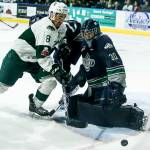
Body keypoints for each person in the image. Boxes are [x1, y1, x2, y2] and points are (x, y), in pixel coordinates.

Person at [66, 19, 145, 130]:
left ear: (96, 31)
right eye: (84, 33)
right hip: (93, 87)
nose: (86, 36)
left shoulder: (103, 41)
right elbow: (86, 64)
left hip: (107, 86)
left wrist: (116, 87)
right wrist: (79, 77)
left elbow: (115, 64)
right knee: (78, 104)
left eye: (89, 33)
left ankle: (134, 116)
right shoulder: (84, 43)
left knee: (105, 111)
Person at [0, 2, 70, 116]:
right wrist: (55, 69)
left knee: (50, 81)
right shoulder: (46, 29)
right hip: (18, 58)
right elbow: (42, 57)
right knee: (2, 86)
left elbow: (61, 38)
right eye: (58, 15)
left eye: (63, 16)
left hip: (35, 61)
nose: (60, 19)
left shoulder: (62, 27)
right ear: (51, 14)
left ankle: (35, 105)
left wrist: (63, 45)